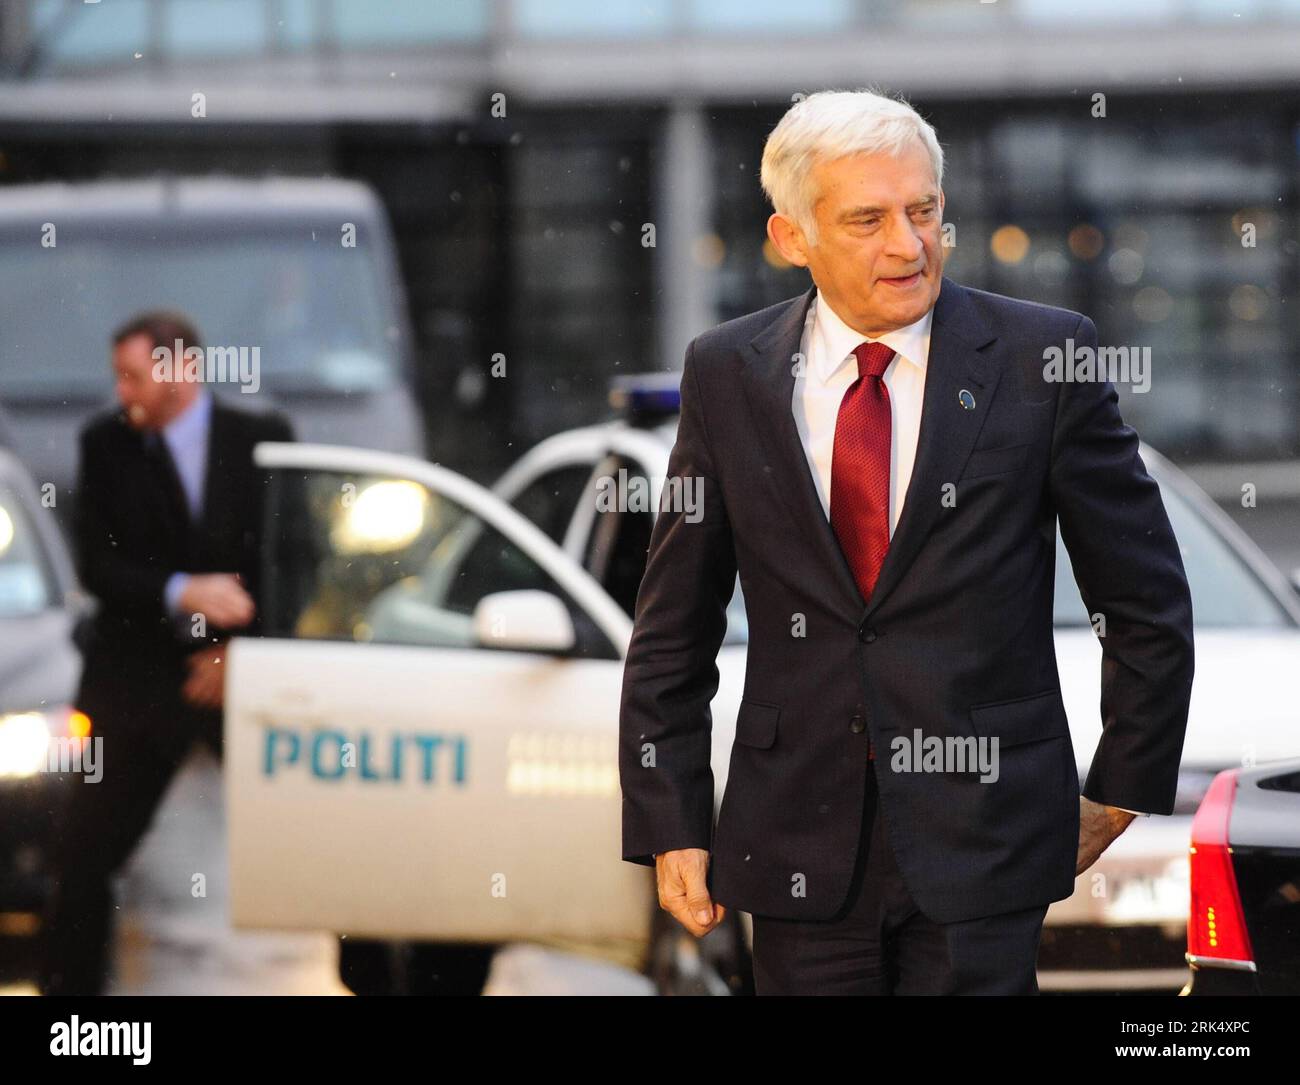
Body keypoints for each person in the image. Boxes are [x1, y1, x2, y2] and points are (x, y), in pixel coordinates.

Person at [617, 90, 1194, 995]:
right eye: (868, 219)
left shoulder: (1045, 357)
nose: (910, 244)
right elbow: (672, 624)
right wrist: (670, 815)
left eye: (925, 210)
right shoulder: (726, 372)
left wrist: (1122, 782)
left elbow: (1145, 595)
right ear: (791, 236)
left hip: (988, 844)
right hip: (796, 839)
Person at [39, 311, 294, 995]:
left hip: (243, 681)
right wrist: (184, 590)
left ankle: (381, 974)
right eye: (118, 376)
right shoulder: (106, 444)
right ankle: (73, 1013)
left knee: (320, 838)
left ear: (182, 370)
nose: (123, 392)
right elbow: (99, 566)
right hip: (136, 682)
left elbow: (294, 557)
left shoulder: (260, 439)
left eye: (134, 374)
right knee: (83, 856)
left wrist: (240, 651)